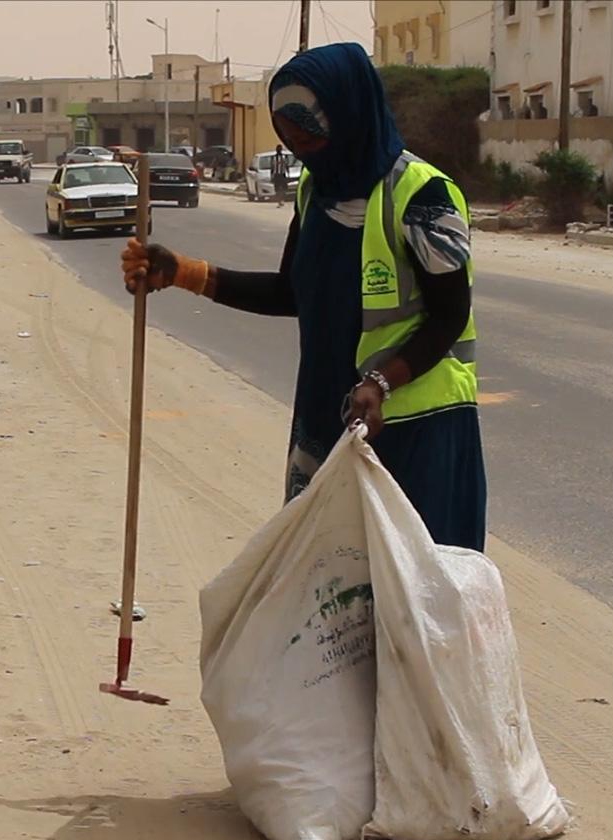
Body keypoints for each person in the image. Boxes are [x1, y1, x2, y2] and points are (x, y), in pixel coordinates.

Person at [119, 42, 485, 551]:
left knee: (412, 604)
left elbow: (449, 317)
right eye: (288, 140)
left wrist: (380, 381)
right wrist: (183, 272)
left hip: (415, 431)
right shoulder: (316, 191)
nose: (300, 151)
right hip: (329, 417)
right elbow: (291, 291)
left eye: (308, 137)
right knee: (328, 602)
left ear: (348, 115)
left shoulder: (423, 196)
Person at [271, 143, 291, 208]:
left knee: (283, 188)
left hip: (282, 174)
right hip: (276, 174)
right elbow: (272, 167)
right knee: (277, 188)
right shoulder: (273, 157)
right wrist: (271, 176)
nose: (279, 150)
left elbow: (287, 166)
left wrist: (288, 174)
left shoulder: (284, 157)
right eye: (278, 149)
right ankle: (279, 201)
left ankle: (282, 200)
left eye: (280, 149)